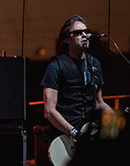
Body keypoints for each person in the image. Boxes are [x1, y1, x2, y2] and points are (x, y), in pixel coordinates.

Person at [40, 14, 113, 158]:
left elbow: (99, 102)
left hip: (90, 135)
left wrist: (116, 118)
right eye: (79, 33)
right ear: (68, 39)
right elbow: (49, 110)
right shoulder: (56, 67)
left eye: (86, 31)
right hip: (66, 138)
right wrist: (73, 132)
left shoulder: (94, 64)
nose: (85, 35)